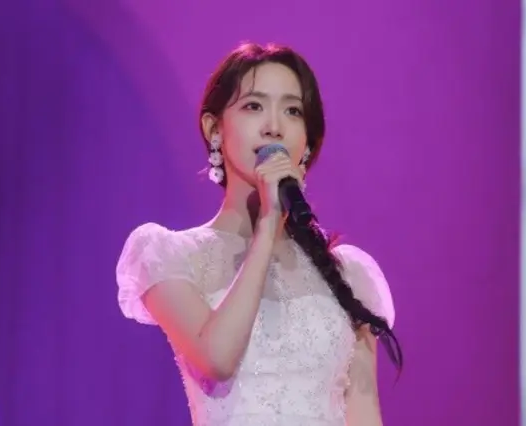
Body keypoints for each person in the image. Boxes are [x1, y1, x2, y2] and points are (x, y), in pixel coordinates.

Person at [115, 41, 403, 426]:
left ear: (307, 143)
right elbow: (216, 361)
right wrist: (268, 226)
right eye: (254, 106)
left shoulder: (350, 275)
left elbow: (365, 417)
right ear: (214, 129)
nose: (274, 126)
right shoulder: (169, 256)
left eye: (292, 111)